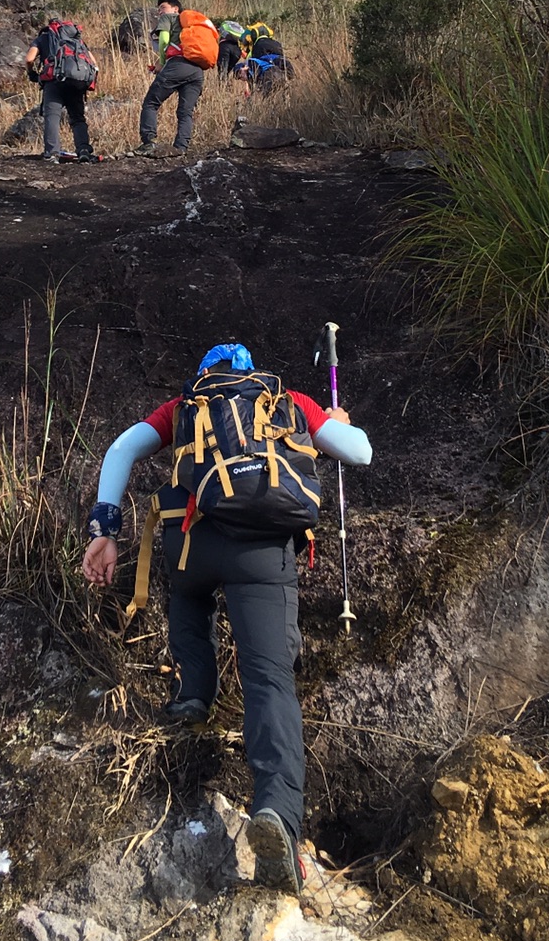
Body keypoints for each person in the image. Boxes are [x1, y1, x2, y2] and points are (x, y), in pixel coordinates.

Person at [81, 342, 372, 893]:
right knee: (268, 679)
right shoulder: (290, 402)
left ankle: (195, 693)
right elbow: (359, 454)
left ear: (205, 378)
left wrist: (104, 531)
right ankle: (278, 816)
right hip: (261, 552)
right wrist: (337, 421)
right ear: (252, 375)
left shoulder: (184, 407)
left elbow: (121, 449)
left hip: (194, 547)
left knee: (188, 595)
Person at [137, 0, 205, 155]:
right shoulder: (192, 26)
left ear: (176, 9)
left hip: (177, 66)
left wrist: (161, 62)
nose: (160, 11)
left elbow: (163, 39)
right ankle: (181, 148)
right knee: (185, 111)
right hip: (197, 71)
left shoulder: (169, 18)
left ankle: (149, 143)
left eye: (163, 7)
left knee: (151, 103)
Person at [25, 18, 100, 163]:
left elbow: (29, 59)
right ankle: (83, 150)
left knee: (52, 117)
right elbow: (94, 63)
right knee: (78, 118)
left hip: (54, 82)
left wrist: (32, 74)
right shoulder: (76, 40)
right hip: (76, 81)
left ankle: (52, 153)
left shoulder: (43, 38)